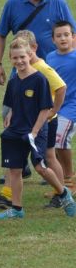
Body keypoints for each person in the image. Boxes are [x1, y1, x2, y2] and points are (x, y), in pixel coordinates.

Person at [0, 38, 75, 219]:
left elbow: (45, 109)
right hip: (16, 130)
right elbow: (12, 103)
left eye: (22, 57)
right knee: (14, 169)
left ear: (29, 55)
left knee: (40, 167)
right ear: (10, 58)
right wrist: (9, 115)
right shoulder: (13, 80)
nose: (19, 61)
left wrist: (35, 131)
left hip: (36, 130)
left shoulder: (39, 79)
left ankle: (64, 194)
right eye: (15, 58)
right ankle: (17, 208)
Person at [0, 0, 76, 85]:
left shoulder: (59, 4)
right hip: (22, 69)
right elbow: (1, 35)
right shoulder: (13, 4)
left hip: (52, 70)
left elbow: (73, 35)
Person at [47, 21, 76, 194]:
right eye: (59, 35)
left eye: (66, 35)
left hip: (72, 107)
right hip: (55, 106)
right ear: (53, 40)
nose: (63, 38)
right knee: (53, 143)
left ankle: (69, 180)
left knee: (60, 140)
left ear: (73, 37)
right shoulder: (50, 57)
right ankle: (61, 184)